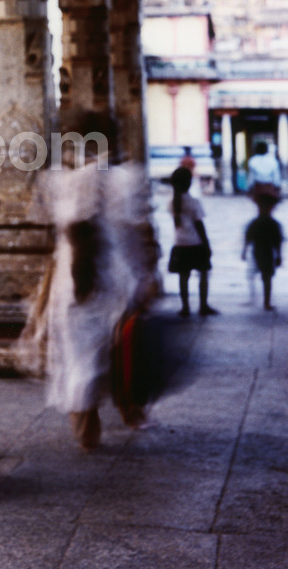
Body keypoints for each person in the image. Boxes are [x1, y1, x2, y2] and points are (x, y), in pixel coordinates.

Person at [44, 112, 155, 450]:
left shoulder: (61, 181)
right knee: (118, 349)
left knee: (80, 356)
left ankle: (86, 427)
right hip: (114, 276)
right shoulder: (125, 179)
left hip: (74, 280)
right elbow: (137, 232)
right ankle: (128, 407)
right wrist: (148, 275)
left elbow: (64, 233)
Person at [167, 166, 217, 318]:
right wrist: (207, 244)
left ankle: (185, 307)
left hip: (179, 243)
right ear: (189, 183)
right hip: (196, 243)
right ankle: (203, 306)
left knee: (183, 277)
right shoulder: (193, 202)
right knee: (203, 274)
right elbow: (199, 225)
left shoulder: (172, 203)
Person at [242, 202, 283, 310]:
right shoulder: (273, 223)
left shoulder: (256, 222)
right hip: (265, 252)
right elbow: (278, 242)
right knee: (266, 277)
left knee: (259, 276)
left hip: (260, 251)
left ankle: (259, 300)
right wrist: (279, 256)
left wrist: (244, 252)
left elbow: (247, 238)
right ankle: (265, 302)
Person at [246, 140, 283, 209]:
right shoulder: (272, 160)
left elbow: (251, 177)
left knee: (260, 205)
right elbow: (276, 177)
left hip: (258, 187)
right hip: (269, 187)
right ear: (266, 149)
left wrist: (249, 188)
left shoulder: (253, 160)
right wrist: (277, 187)